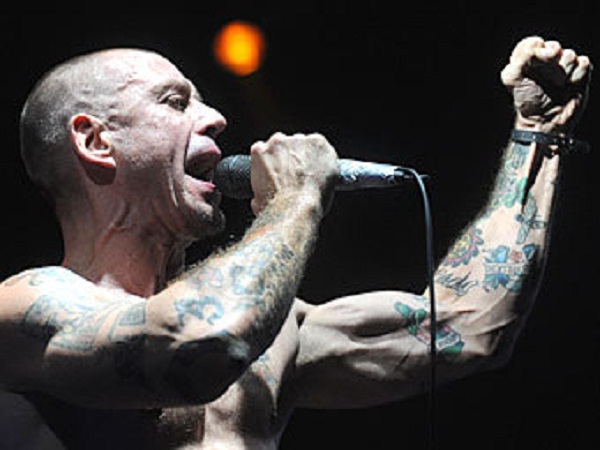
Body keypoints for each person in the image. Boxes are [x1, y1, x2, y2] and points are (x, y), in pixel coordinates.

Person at [0, 35, 591, 449]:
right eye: (175, 102)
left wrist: (538, 138)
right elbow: (199, 344)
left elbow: (471, 327)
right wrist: (296, 199)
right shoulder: (24, 310)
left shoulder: (277, 337)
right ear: (95, 140)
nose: (216, 118)